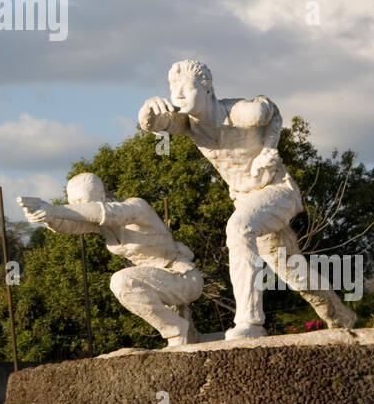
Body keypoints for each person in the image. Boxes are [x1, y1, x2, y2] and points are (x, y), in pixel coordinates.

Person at [138, 59, 356, 338]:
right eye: (173, 89)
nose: (177, 95)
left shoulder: (241, 113)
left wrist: (269, 148)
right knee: (294, 271)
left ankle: (250, 322)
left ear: (207, 90)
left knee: (238, 228)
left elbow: (271, 110)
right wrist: (148, 109)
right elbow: (154, 122)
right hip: (247, 200)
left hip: (278, 192)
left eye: (186, 87)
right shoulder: (188, 124)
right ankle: (342, 318)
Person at [18, 173, 204, 346]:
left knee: (122, 281)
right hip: (157, 282)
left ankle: (176, 330)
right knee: (125, 281)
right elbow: (72, 225)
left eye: (81, 201)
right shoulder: (103, 226)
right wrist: (46, 217)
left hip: (182, 277)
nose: (77, 206)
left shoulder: (136, 207)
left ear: (100, 194)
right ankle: (181, 329)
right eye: (73, 202)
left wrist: (56, 210)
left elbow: (103, 212)